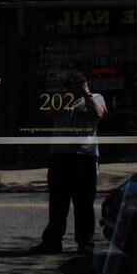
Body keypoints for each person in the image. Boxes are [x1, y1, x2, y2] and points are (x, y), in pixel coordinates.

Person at [32, 69, 105, 254]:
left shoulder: (95, 98)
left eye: (76, 84)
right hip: (60, 155)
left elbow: (98, 114)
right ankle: (53, 240)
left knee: (84, 202)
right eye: (70, 84)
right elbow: (50, 114)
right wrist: (66, 96)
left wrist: (86, 94)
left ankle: (85, 242)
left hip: (84, 156)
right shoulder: (61, 99)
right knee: (58, 201)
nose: (73, 88)